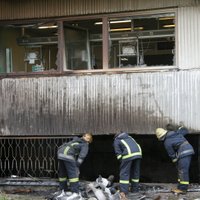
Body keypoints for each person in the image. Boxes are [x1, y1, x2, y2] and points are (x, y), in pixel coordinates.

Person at [155, 125, 194, 194]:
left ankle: (183, 189)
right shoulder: (175, 133)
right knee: (182, 170)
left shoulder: (167, 142)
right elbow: (184, 130)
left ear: (161, 137)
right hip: (189, 150)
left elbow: (172, 154)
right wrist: (181, 127)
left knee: (182, 170)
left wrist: (175, 161)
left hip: (183, 152)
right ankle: (180, 186)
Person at [56, 133, 93, 200]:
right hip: (68, 156)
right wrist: (77, 165)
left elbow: (64, 146)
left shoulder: (75, 140)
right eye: (87, 138)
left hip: (60, 154)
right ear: (89, 141)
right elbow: (82, 156)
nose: (87, 139)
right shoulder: (85, 145)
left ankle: (63, 190)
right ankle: (75, 193)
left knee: (62, 174)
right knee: (73, 175)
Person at [113, 131, 142, 200]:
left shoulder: (116, 140)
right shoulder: (129, 137)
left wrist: (122, 163)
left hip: (128, 154)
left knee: (124, 173)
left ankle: (124, 192)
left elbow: (118, 154)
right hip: (138, 154)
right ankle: (135, 190)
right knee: (135, 172)